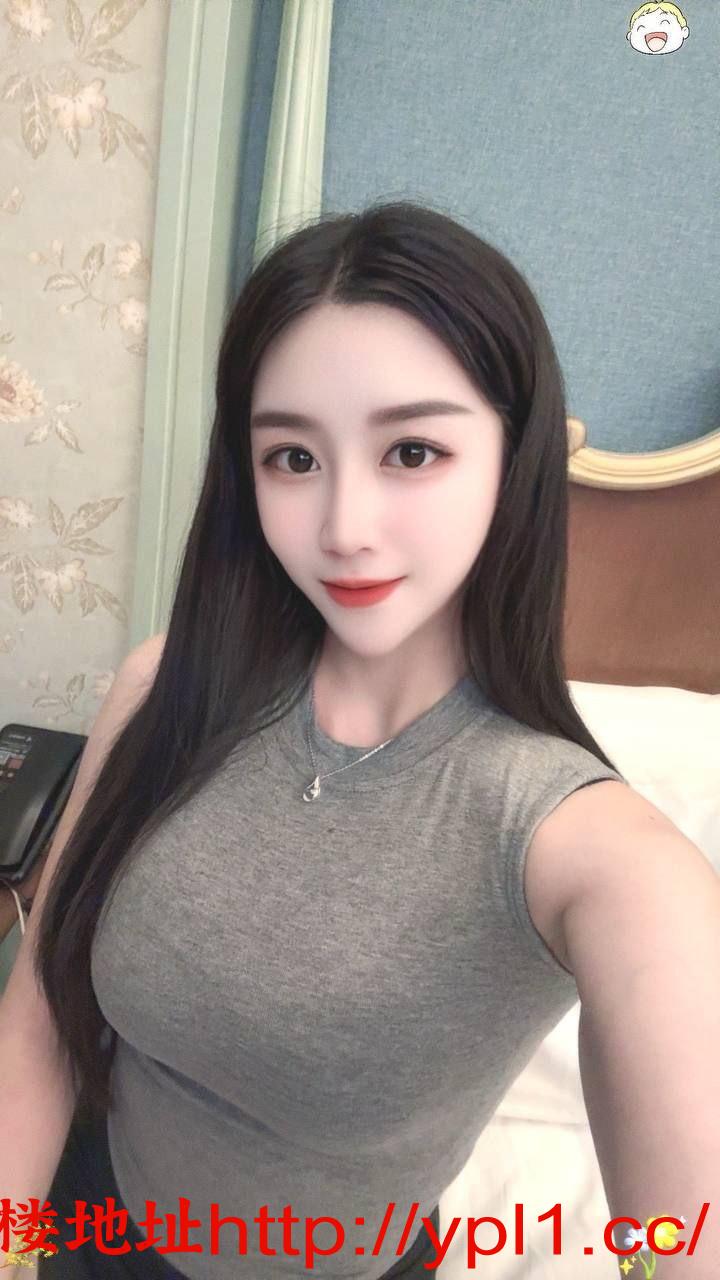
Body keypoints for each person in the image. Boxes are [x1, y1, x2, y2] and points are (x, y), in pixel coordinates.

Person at [2, 200, 717, 1279]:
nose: (343, 527)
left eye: (412, 450)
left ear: (513, 458)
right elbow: (40, 1019)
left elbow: (684, 1237)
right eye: (292, 457)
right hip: (91, 1218)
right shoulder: (164, 686)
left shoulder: (592, 851)